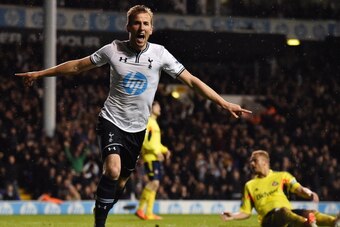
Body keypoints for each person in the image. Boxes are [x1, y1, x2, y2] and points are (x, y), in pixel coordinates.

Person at [15, 5, 252, 227]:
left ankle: (103, 204)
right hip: (112, 120)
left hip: (138, 129)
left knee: (121, 181)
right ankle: (100, 221)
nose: (141, 28)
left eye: (145, 24)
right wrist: (40, 74)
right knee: (113, 170)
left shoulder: (160, 54)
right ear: (128, 27)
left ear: (151, 29)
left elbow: (190, 80)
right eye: (136, 23)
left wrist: (222, 102)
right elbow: (77, 66)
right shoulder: (113, 49)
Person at [220, 150, 339, 227]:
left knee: (309, 213)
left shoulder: (282, 176)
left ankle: (334, 221)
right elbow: (245, 212)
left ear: (265, 162)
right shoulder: (249, 185)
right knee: (283, 212)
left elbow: (299, 189)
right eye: (251, 161)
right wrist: (233, 215)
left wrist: (310, 193)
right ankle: (307, 224)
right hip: (269, 221)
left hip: (288, 215)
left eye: (254, 160)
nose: (251, 164)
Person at [135, 101, 170, 220]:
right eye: (157, 105)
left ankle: (149, 213)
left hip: (155, 157)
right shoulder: (148, 122)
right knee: (154, 183)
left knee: (156, 184)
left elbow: (155, 143)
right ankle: (140, 209)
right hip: (150, 157)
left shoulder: (154, 123)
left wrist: (164, 150)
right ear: (151, 108)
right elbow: (145, 141)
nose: (160, 107)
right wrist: (156, 152)